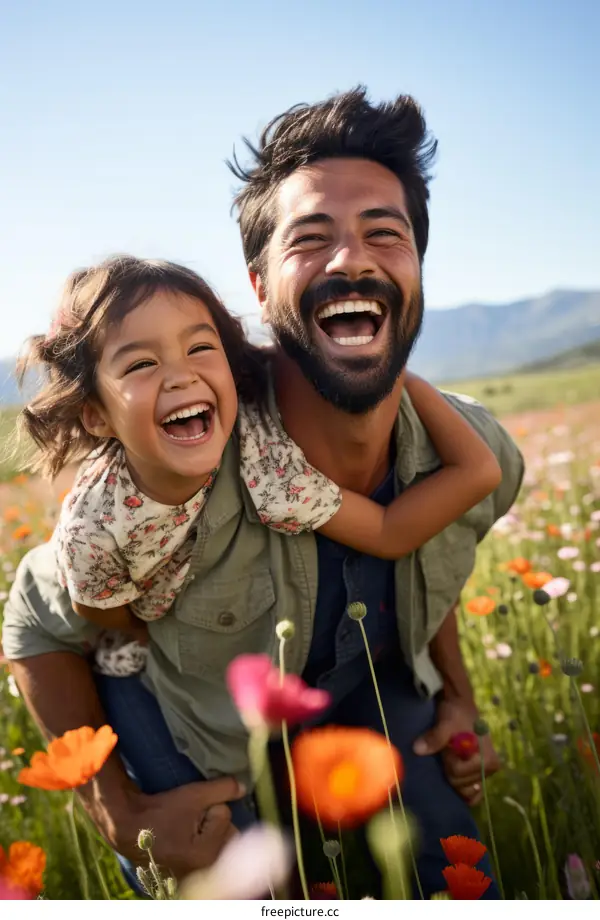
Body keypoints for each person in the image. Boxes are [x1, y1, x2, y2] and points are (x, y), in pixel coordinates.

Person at [3, 88, 524, 898]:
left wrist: (458, 699)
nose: (351, 261)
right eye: (310, 240)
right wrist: (116, 807)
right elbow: (36, 619)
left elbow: (430, 553)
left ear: (418, 263)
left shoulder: (473, 449)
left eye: (385, 234)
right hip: (203, 740)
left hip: (362, 706)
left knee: (455, 870)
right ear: (257, 282)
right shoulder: (192, 471)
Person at [16, 255, 499, 673]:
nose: (182, 376)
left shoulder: (264, 462)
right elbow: (95, 606)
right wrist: (145, 628)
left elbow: (391, 530)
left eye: (201, 348)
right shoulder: (93, 527)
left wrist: (398, 374)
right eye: (142, 364)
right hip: (93, 628)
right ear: (97, 416)